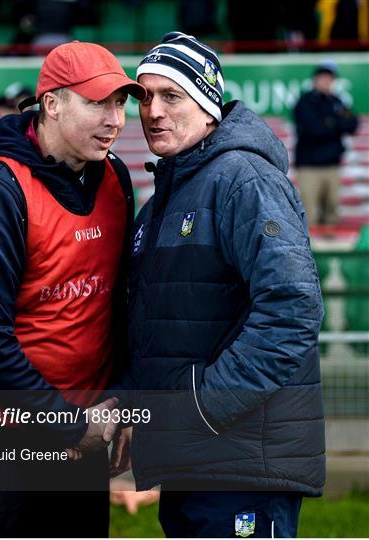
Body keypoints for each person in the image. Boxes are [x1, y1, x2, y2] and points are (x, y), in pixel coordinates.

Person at [0, 41, 146, 537]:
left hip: (83, 426)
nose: (114, 119)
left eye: (121, 103)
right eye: (97, 102)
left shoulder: (114, 177)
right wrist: (69, 424)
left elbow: (115, 307)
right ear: (51, 103)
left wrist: (119, 402)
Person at [121, 32, 325, 538]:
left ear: (209, 106)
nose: (154, 111)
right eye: (144, 97)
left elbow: (294, 309)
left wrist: (200, 406)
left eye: (172, 96)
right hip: (195, 461)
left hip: (240, 467)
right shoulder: (164, 198)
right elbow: (162, 329)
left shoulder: (243, 178)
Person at [293, 60, 358, 225]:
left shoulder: (337, 101)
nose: (327, 82)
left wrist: (329, 122)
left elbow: (353, 124)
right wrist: (336, 124)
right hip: (309, 167)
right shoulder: (304, 101)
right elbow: (313, 129)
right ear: (315, 80)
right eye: (323, 78)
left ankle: (331, 251)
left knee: (332, 214)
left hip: (332, 166)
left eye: (330, 79)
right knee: (310, 216)